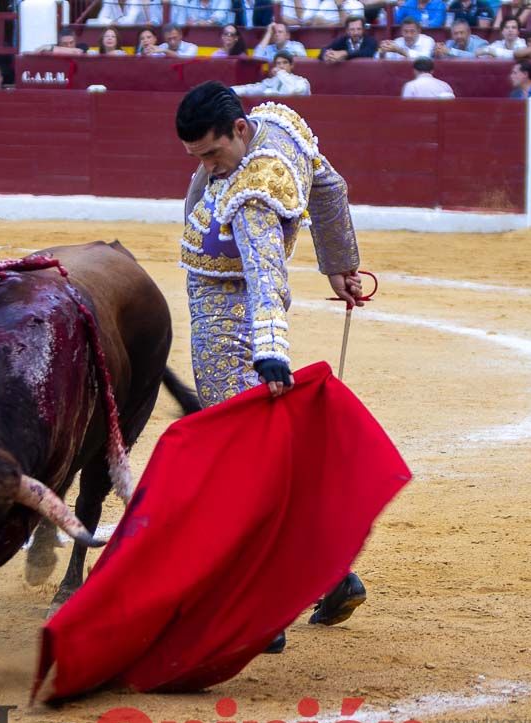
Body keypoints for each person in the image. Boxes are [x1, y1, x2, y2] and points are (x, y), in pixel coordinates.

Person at [174, 82, 368, 642]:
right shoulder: (277, 125)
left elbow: (266, 280)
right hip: (230, 310)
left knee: (239, 461)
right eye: (196, 158)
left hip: (224, 320)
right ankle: (327, 578)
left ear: (237, 131)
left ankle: (267, 607)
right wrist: (339, 264)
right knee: (256, 455)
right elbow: (330, 186)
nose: (208, 168)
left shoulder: (254, 193)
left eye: (212, 155)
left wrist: (271, 352)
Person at [230, 50, 311, 94]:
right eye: (278, 63)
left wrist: (280, 73)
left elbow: (293, 91)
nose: (281, 66)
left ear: (291, 65)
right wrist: (231, 90)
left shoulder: (301, 81)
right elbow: (251, 89)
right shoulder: (271, 82)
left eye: (285, 62)